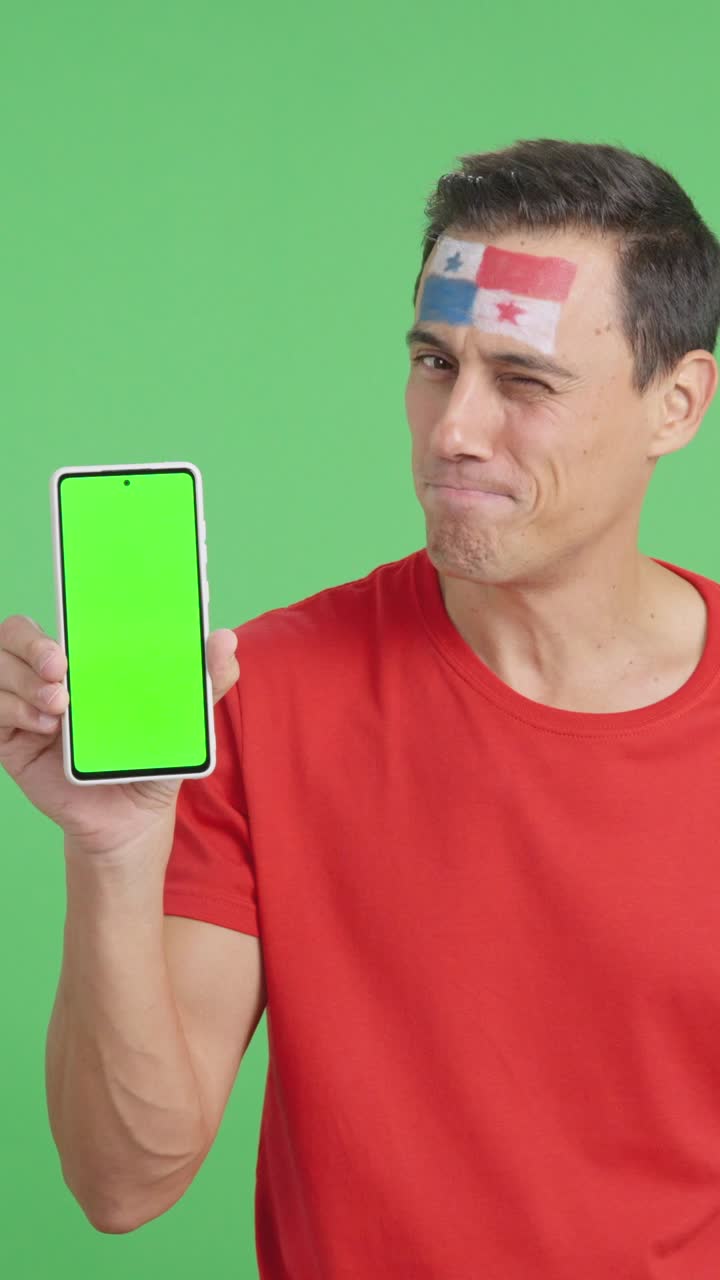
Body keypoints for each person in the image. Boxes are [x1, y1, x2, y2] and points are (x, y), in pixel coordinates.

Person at [4, 136, 720, 1277]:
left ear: (676, 403)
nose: (454, 430)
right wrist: (115, 849)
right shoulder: (261, 694)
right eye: (437, 363)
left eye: (523, 381)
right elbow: (124, 1180)